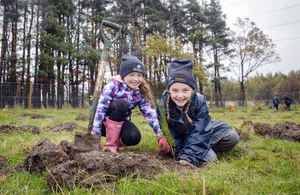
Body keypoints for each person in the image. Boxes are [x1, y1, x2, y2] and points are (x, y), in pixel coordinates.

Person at [157, 58, 239, 167]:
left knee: (232, 137)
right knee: (211, 158)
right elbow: (171, 136)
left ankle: (200, 147)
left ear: (192, 90)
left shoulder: (199, 101)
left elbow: (201, 130)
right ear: (169, 90)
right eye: (175, 90)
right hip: (180, 140)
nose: (180, 96)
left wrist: (190, 154)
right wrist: (186, 156)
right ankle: (200, 149)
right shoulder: (163, 105)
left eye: (185, 90)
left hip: (198, 132)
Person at [91, 54, 167, 153]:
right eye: (132, 75)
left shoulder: (138, 92)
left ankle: (115, 142)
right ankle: (110, 146)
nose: (136, 79)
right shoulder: (112, 87)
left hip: (120, 124)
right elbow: (101, 109)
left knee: (134, 137)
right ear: (124, 75)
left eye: (139, 75)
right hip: (102, 124)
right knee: (121, 104)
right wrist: (95, 133)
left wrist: (160, 133)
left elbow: (150, 113)